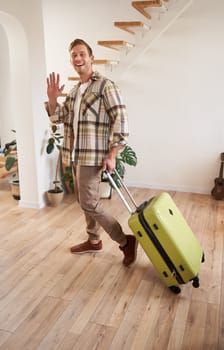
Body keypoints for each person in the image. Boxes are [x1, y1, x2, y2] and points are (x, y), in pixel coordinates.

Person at [45, 38, 137, 266]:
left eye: (82, 54)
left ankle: (125, 241)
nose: (78, 58)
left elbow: (121, 120)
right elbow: (58, 118)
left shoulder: (106, 85)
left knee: (89, 203)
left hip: (93, 156)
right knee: (85, 200)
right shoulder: (76, 91)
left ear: (91, 58)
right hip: (77, 154)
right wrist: (52, 99)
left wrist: (112, 153)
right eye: (74, 55)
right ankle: (94, 241)